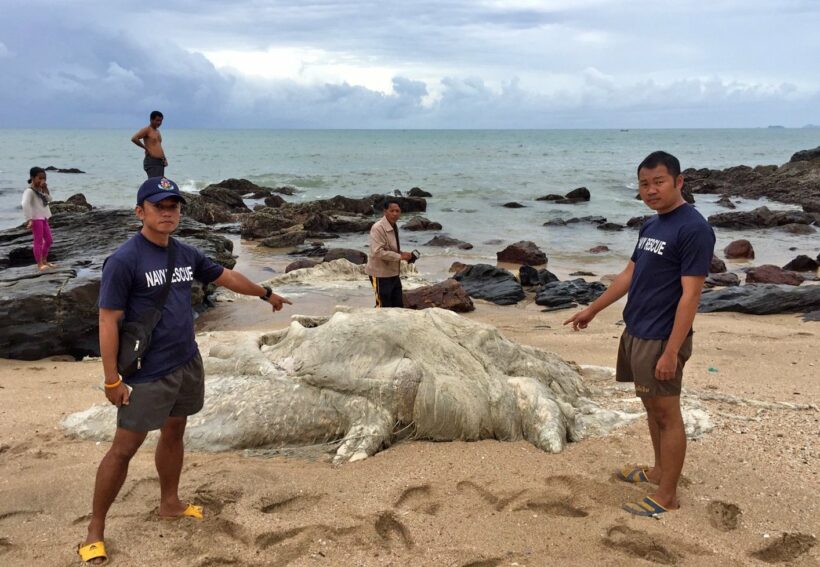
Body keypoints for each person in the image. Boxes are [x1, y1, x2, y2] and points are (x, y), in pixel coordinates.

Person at [77, 176, 292, 565]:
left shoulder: (185, 253)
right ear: (140, 211)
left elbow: (226, 277)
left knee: (175, 431)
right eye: (159, 206)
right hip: (146, 372)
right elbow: (108, 322)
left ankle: (170, 502)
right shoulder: (124, 260)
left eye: (173, 206)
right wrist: (111, 379)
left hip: (186, 361)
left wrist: (265, 293)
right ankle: (95, 528)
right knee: (124, 449)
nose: (167, 212)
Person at [563, 151, 715, 517]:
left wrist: (671, 351)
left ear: (679, 182)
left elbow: (691, 295)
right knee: (651, 408)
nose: (651, 190)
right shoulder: (652, 225)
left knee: (667, 413)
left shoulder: (693, 229)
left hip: (662, 337)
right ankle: (659, 470)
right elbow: (629, 275)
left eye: (659, 182)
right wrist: (593, 309)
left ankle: (667, 495)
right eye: (644, 184)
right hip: (637, 330)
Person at [365, 199, 413, 308]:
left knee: (397, 306)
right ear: (385, 211)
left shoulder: (393, 225)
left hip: (393, 273)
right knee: (383, 306)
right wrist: (400, 256)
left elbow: (390, 247)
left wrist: (403, 254)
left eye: (397, 211)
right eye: (392, 211)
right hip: (379, 274)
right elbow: (378, 252)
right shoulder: (377, 228)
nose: (395, 214)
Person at [21, 166, 55, 271]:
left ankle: (45, 260)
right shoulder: (29, 191)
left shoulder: (40, 190)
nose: (42, 180)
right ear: (32, 177)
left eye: (44, 178)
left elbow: (49, 199)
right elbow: (24, 204)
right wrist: (29, 219)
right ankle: (39, 264)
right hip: (36, 219)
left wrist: (45, 188)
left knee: (49, 240)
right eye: (39, 178)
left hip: (44, 217)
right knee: (38, 241)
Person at [131, 110, 168, 177]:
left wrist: (164, 159)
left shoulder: (157, 131)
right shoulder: (147, 129)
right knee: (154, 182)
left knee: (159, 182)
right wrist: (145, 148)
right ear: (151, 120)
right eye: (157, 120)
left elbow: (159, 146)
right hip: (151, 161)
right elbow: (134, 138)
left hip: (160, 161)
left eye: (161, 121)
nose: (159, 123)